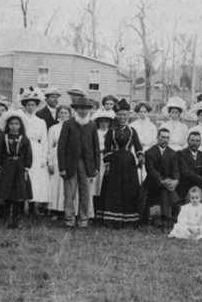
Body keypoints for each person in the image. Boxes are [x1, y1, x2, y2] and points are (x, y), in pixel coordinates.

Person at [98, 99, 144, 227]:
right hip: (115, 162)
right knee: (115, 189)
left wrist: (140, 156)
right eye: (120, 115)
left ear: (128, 116)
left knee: (129, 189)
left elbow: (138, 146)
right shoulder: (111, 131)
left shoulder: (132, 131)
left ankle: (128, 219)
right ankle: (112, 218)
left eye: (125, 115)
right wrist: (107, 163)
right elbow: (107, 148)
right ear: (116, 116)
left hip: (129, 162)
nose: (122, 117)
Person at [58, 96, 100, 228]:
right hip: (71, 163)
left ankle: (83, 218)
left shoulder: (92, 125)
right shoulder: (68, 124)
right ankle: (69, 218)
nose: (83, 111)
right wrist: (62, 167)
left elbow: (96, 147)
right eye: (80, 108)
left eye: (86, 109)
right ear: (75, 109)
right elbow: (61, 147)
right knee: (69, 193)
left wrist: (96, 167)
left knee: (85, 193)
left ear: (89, 110)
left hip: (87, 164)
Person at [0, 111, 33, 228]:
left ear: (20, 126)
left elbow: (28, 154)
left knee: (18, 194)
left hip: (19, 169)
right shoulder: (3, 138)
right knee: (6, 193)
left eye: (16, 124)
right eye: (11, 124)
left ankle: (17, 220)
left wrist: (26, 166)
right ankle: (5, 219)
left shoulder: (24, 139)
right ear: (7, 125)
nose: (14, 126)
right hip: (7, 168)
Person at [19, 88, 50, 215]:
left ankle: (32, 207)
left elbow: (44, 140)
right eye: (28, 105)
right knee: (23, 177)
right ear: (24, 106)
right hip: (24, 149)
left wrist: (44, 157)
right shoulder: (21, 119)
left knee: (35, 178)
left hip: (36, 151)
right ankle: (20, 206)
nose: (31, 107)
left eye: (33, 105)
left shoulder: (41, 121)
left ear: (37, 106)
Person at [143, 127, 180, 228]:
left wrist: (175, 181)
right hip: (153, 182)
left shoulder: (173, 153)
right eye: (163, 137)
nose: (165, 140)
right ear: (157, 137)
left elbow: (175, 170)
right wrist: (162, 180)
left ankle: (166, 219)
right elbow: (150, 170)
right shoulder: (149, 152)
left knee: (166, 190)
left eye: (167, 138)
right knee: (165, 191)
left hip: (167, 183)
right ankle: (166, 219)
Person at [45, 105, 72, 216]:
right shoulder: (53, 128)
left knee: (66, 184)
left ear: (70, 115)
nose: (63, 115)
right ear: (57, 114)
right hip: (56, 158)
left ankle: (65, 209)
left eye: (66, 113)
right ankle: (54, 210)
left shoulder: (72, 127)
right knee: (55, 183)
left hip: (68, 158)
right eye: (61, 113)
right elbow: (49, 147)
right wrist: (50, 163)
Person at [177, 131, 202, 200]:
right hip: (186, 188)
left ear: (200, 142)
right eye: (192, 140)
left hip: (200, 188)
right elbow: (186, 172)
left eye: (197, 141)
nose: (195, 143)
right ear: (188, 141)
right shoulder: (180, 154)